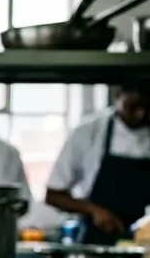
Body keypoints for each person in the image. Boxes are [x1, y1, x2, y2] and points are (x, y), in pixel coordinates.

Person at [45, 85, 150, 244]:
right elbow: (53, 195)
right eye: (133, 106)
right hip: (97, 243)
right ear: (118, 96)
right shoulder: (88, 132)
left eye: (147, 108)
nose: (140, 114)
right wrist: (93, 210)